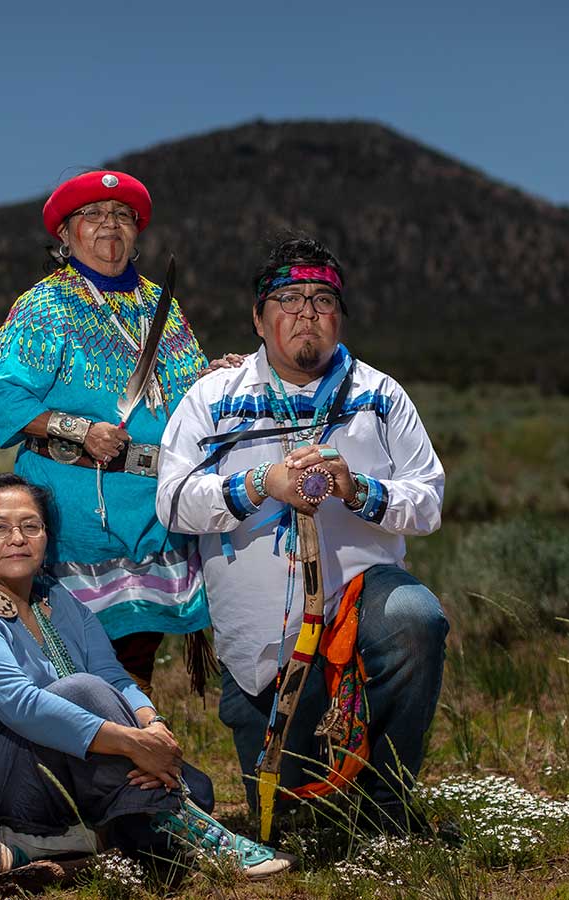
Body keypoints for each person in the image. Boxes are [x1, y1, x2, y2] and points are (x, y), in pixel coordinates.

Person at [0, 170, 212, 693]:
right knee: (75, 658)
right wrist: (78, 428)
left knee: (137, 657)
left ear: (137, 232)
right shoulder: (45, 306)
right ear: (65, 235)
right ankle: (83, 756)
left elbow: (186, 387)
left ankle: (129, 755)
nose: (109, 225)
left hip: (151, 505)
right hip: (74, 506)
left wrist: (218, 379)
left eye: (122, 216)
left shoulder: (160, 307)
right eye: (93, 215)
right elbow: (4, 397)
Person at [155, 236, 449, 834]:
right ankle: (310, 799)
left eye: (321, 298)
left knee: (417, 619)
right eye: (288, 299)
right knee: (290, 823)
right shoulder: (214, 397)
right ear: (258, 319)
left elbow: (428, 500)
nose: (307, 312)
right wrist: (260, 483)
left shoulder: (380, 395)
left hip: (358, 602)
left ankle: (388, 808)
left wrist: (357, 489)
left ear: (339, 315)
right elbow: (174, 500)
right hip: (263, 646)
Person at [0, 472, 292, 879]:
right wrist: (130, 743)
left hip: (40, 772)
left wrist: (151, 726)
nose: (17, 538)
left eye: (30, 526)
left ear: (46, 536)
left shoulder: (57, 599)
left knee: (183, 777)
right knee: (82, 693)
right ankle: (178, 826)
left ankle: (42, 845)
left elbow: (114, 676)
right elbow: (24, 706)